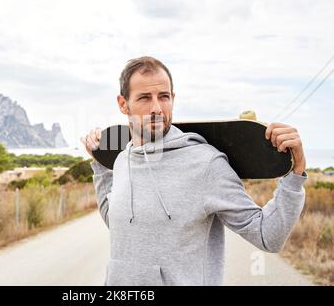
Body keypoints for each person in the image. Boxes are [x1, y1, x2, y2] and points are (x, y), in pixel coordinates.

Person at [80, 56, 307, 286]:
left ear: (173, 98)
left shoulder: (205, 164)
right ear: (123, 104)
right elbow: (119, 225)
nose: (157, 108)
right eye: (145, 98)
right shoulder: (122, 160)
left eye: (164, 97)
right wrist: (100, 165)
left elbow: (267, 236)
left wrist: (295, 173)